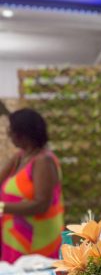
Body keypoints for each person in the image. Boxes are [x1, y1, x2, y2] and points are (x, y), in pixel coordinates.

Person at [0, 108, 64, 262]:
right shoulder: (20, 157)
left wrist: (2, 207)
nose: (9, 135)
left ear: (23, 133)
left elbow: (41, 205)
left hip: (39, 242)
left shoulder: (44, 161)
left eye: (11, 130)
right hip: (15, 238)